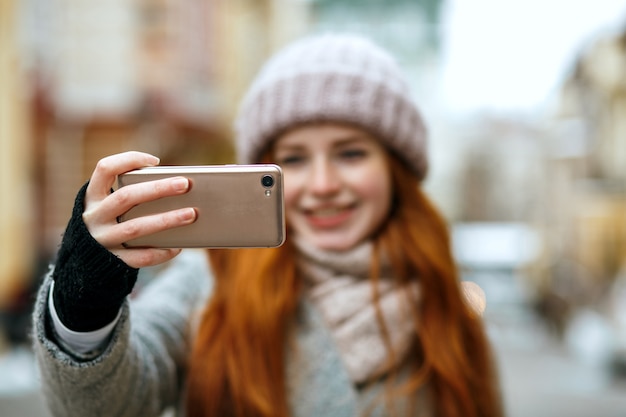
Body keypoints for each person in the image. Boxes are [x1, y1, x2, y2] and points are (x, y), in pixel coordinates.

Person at [32, 33, 503, 417]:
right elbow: (104, 403)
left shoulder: (444, 301)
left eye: (351, 153)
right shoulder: (209, 285)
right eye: (293, 159)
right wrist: (83, 304)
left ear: (395, 169)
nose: (322, 185)